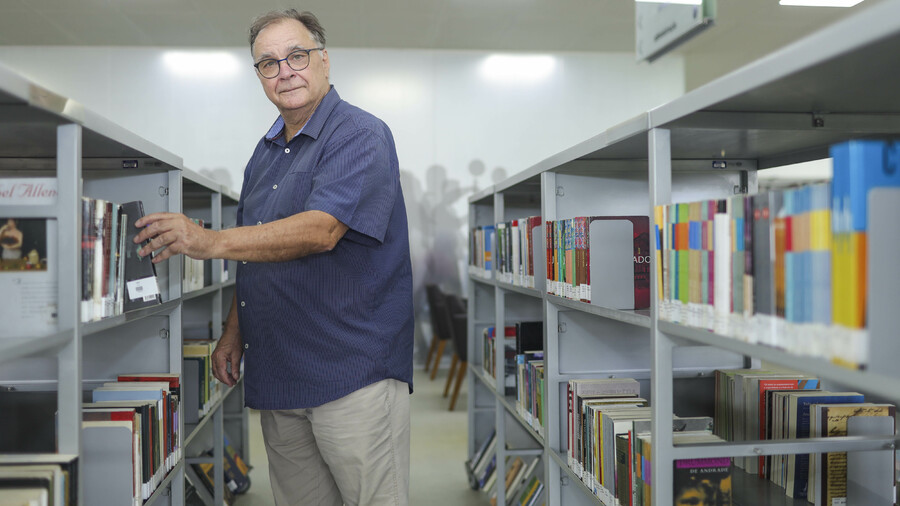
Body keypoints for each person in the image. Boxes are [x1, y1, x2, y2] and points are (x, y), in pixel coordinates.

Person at [133, 9, 414, 506]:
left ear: (324, 60)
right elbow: (257, 252)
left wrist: (207, 241)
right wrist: (233, 333)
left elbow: (322, 229)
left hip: (351, 374)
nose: (285, 71)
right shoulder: (263, 154)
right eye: (268, 63)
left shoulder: (360, 133)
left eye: (296, 56)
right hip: (280, 374)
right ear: (259, 76)